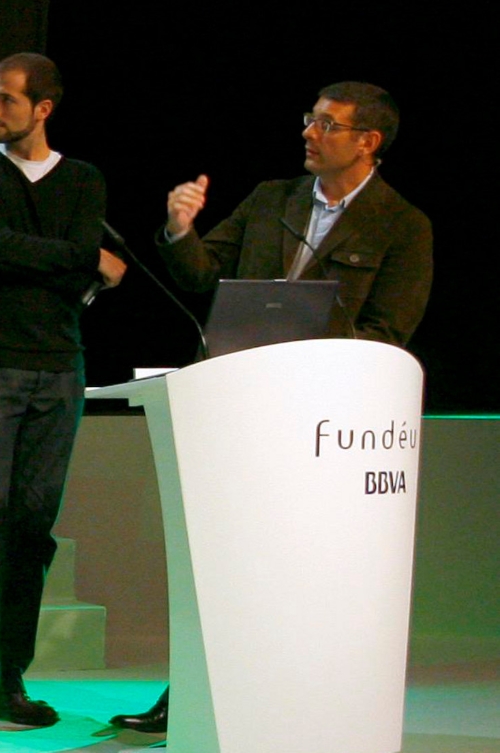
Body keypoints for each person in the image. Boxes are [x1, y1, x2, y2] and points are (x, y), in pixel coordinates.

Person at [109, 81, 433, 735]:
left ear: (367, 141)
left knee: (298, 567)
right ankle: (194, 693)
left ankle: (296, 695)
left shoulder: (402, 225)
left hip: (323, 428)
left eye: (328, 124)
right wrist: (180, 229)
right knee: (218, 556)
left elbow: (388, 334)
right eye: (310, 119)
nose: (309, 132)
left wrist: (311, 370)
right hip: (237, 411)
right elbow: (202, 275)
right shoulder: (270, 199)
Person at [0, 53, 126, 742]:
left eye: (7, 100)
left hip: (58, 370)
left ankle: (9, 680)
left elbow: (5, 252)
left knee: (31, 531)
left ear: (43, 108)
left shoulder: (82, 179)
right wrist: (86, 258)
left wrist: (17, 252)